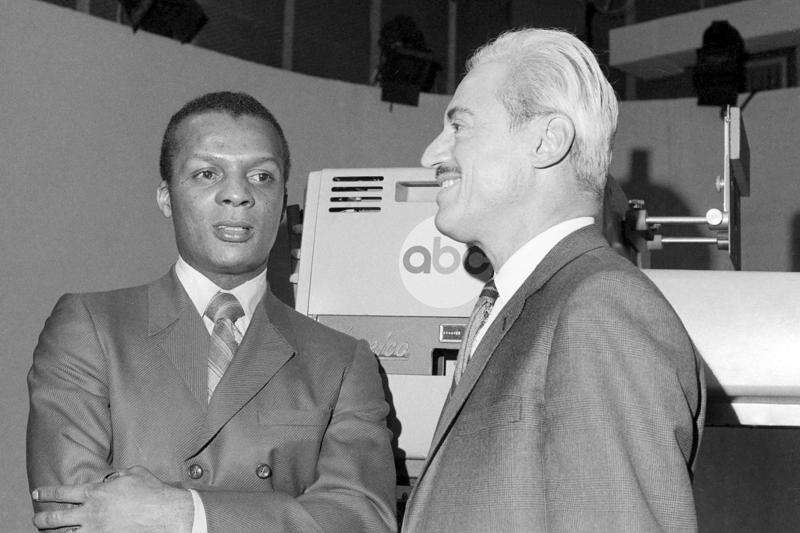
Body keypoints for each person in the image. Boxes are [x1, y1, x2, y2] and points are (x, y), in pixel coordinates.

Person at [27, 91, 396, 532]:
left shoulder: (341, 361)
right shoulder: (91, 327)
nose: (238, 194)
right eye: (207, 173)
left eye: (262, 176)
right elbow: (72, 515)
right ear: (166, 197)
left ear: (282, 206)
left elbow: (363, 518)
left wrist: (189, 515)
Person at [401, 29, 705, 531]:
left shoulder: (600, 310)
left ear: (547, 140)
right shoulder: (523, 306)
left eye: (459, 126)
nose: (431, 155)